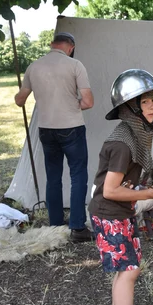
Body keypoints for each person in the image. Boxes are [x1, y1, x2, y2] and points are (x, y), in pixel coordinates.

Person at [89, 69, 153, 305]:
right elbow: (110, 190)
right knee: (129, 271)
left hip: (119, 211)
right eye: (145, 101)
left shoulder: (136, 137)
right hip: (109, 212)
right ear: (130, 108)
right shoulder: (123, 143)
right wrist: (147, 195)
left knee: (128, 269)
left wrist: (147, 186)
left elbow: (125, 183)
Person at [14, 31, 94, 242]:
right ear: (71, 47)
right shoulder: (75, 65)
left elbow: (20, 100)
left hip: (46, 129)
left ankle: (56, 225)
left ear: (52, 45)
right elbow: (87, 102)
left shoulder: (34, 66)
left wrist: (19, 94)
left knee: (53, 177)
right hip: (72, 127)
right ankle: (77, 227)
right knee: (78, 175)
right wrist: (71, 105)